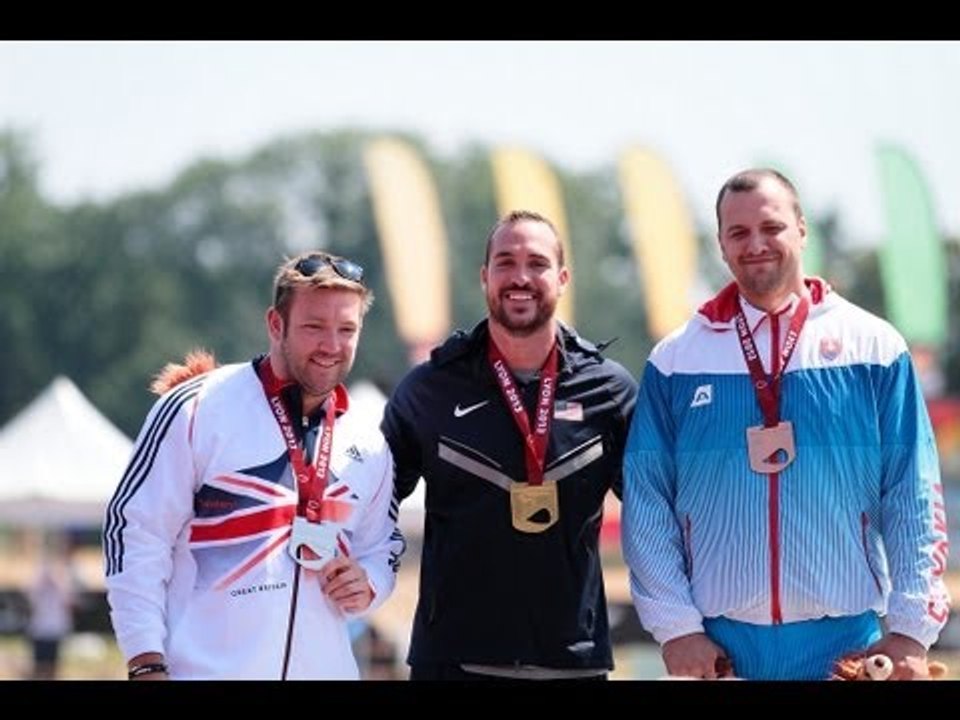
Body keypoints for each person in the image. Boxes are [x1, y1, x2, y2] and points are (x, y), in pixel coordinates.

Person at [621, 168, 951, 680]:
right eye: (738, 233)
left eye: (771, 227)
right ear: (721, 245)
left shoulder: (875, 349)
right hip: (718, 648)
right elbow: (647, 502)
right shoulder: (677, 360)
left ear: (801, 229)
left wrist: (911, 629)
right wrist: (677, 628)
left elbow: (913, 493)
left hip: (847, 646)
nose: (756, 244)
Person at [103, 251, 404, 680]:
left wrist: (369, 580)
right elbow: (135, 534)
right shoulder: (197, 407)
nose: (332, 345)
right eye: (315, 327)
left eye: (347, 329)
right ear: (275, 325)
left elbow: (383, 547)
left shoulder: (370, 440)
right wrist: (146, 660)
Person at [381, 210, 638, 680]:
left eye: (537, 263)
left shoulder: (610, 391)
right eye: (505, 262)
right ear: (484, 277)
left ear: (562, 279)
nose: (520, 277)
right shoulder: (431, 388)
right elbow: (372, 502)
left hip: (572, 662)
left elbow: (655, 512)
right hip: (454, 661)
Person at [26, 555, 75, 680]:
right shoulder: (39, 588)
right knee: (41, 666)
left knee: (50, 666)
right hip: (42, 630)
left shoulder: (60, 587)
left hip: (51, 630)